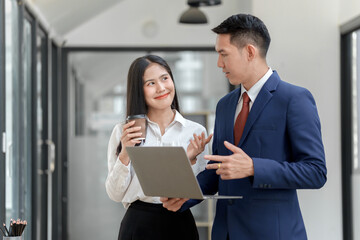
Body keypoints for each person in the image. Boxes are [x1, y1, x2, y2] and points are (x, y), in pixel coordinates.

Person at [161, 14, 327, 240]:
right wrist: (185, 195)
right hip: (225, 233)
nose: (219, 64)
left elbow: (315, 172)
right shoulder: (225, 105)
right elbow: (218, 170)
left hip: (273, 234)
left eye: (223, 54)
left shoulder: (294, 99)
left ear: (249, 52)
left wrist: (253, 168)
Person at [105, 54, 212, 240]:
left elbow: (201, 188)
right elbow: (115, 194)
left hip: (180, 223)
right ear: (139, 90)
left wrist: (187, 158)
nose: (161, 88)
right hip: (138, 224)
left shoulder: (195, 132)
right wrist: (125, 153)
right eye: (150, 83)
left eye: (165, 78)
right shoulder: (124, 131)